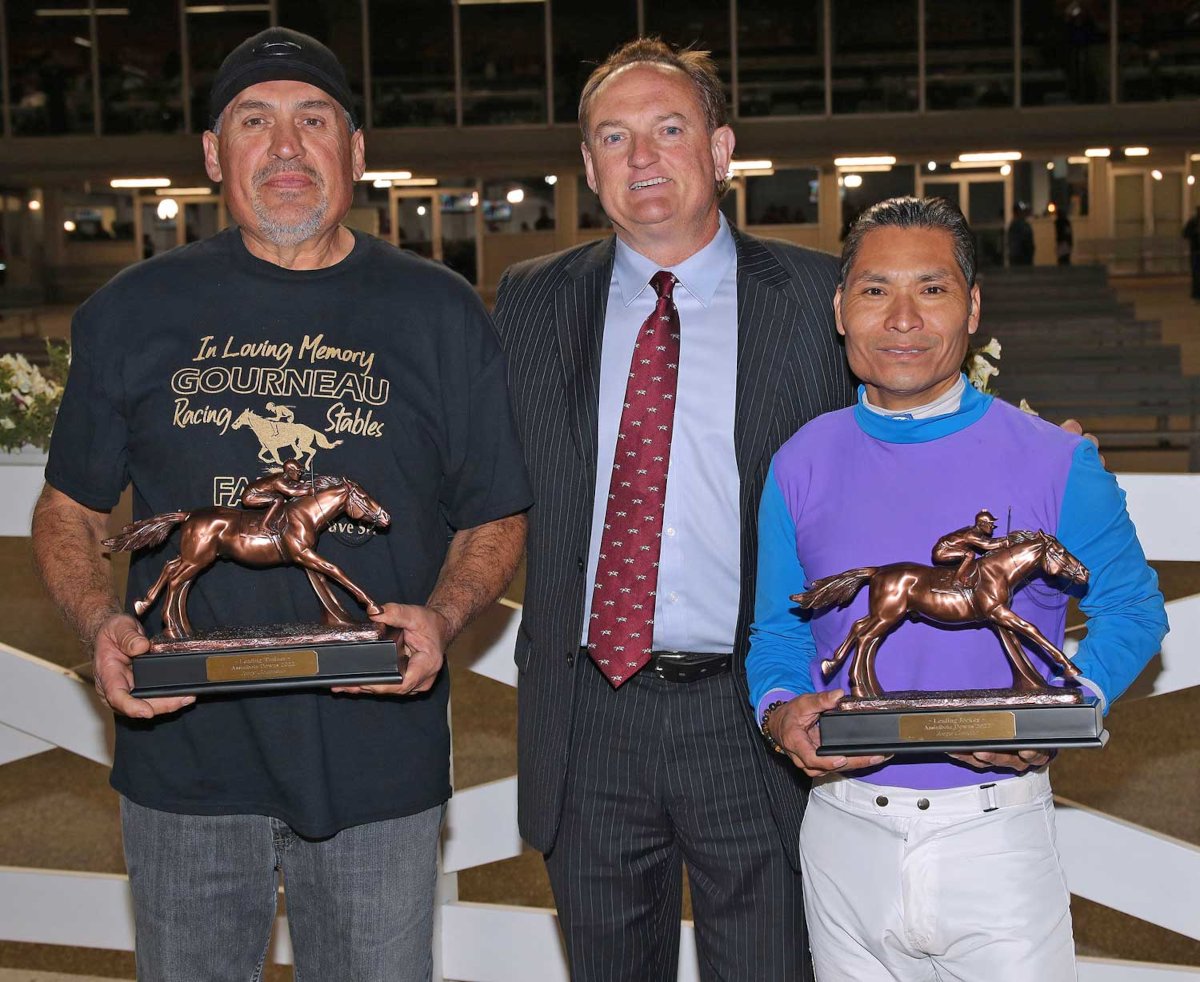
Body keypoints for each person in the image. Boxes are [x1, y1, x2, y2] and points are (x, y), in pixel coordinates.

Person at [31, 27, 531, 982]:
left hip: (379, 759)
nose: (288, 148)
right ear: (216, 155)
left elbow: (496, 509)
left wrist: (446, 613)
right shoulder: (133, 309)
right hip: (185, 761)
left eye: (315, 120)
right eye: (255, 122)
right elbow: (68, 510)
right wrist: (98, 620)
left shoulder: (439, 309)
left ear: (356, 151)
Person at [493, 38, 856, 980]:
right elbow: (466, 470)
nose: (641, 157)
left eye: (668, 129)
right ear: (586, 167)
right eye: (614, 137)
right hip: (588, 715)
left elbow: (903, 441)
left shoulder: (821, 300)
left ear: (722, 148)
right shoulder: (529, 301)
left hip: (756, 714)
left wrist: (1018, 455)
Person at [749, 196, 1167, 982]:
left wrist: (1073, 707)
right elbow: (777, 631)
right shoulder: (799, 461)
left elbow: (1133, 608)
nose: (901, 317)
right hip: (842, 837)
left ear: (971, 308)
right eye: (875, 290)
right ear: (841, 310)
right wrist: (779, 710)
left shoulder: (1055, 459)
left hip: (997, 836)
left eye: (931, 289)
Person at [931, 507, 1007, 587]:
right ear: (982, 524)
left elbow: (988, 541)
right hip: (941, 552)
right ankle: (956, 580)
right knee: (970, 554)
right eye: (990, 523)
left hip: (949, 549)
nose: (992, 526)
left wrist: (1004, 539)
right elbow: (986, 545)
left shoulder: (975, 530)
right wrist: (1003, 543)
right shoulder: (971, 534)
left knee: (968, 553)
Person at [241, 457, 312, 533]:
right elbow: (291, 492)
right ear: (290, 471)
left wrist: (308, 486)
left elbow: (297, 485)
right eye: (298, 472)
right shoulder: (279, 480)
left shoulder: (286, 478)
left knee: (278, 499)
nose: (300, 474)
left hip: (257, 494)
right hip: (250, 496)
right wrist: (307, 492)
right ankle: (263, 525)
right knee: (278, 499)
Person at [1183, 205, 1200, 301]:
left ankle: (1196, 294)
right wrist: (1194, 233)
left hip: (1195, 252)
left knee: (1196, 274)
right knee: (1196, 274)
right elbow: (1185, 234)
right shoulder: (1193, 222)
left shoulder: (1192, 222)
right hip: (1195, 252)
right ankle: (1196, 294)